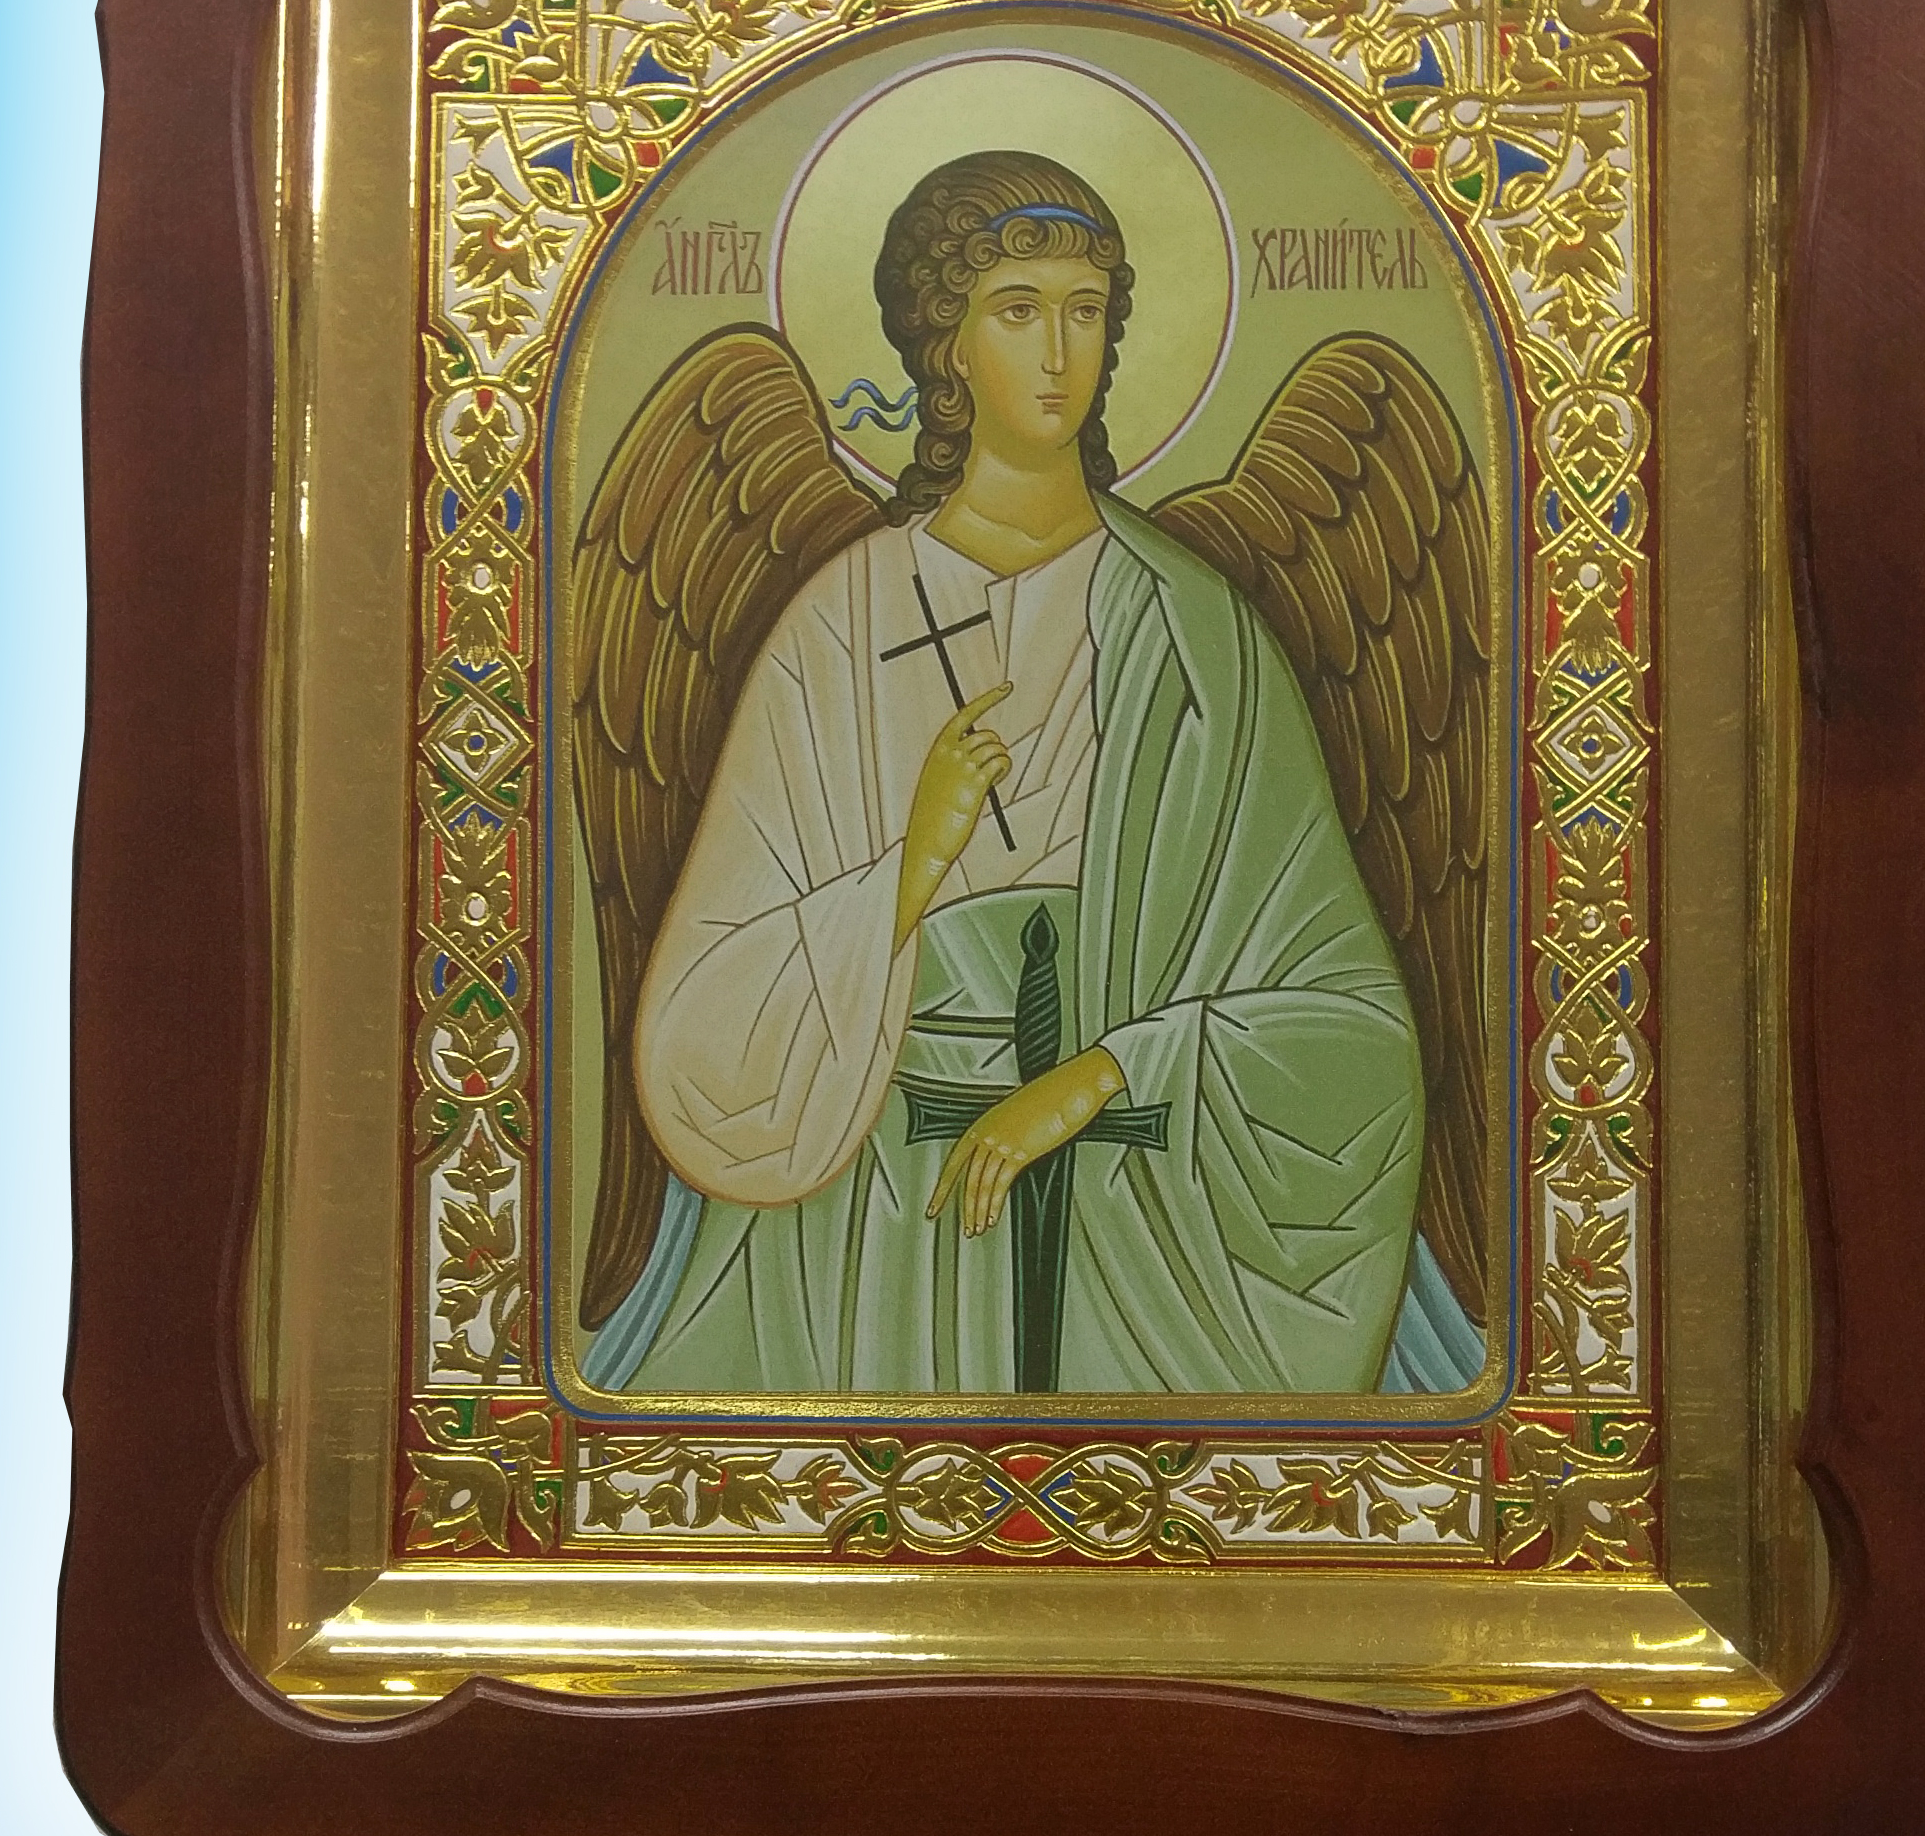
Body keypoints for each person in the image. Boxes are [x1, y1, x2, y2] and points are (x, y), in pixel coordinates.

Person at [592, 149, 1424, 1397]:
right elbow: (705, 1018)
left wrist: (1102, 1075)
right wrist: (908, 867)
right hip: (879, 1206)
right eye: (1017, 310)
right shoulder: (840, 625)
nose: (1058, 353)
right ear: (947, 341)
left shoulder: (1197, 631)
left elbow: (1349, 1022)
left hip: (1137, 1198)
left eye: (1085, 311)